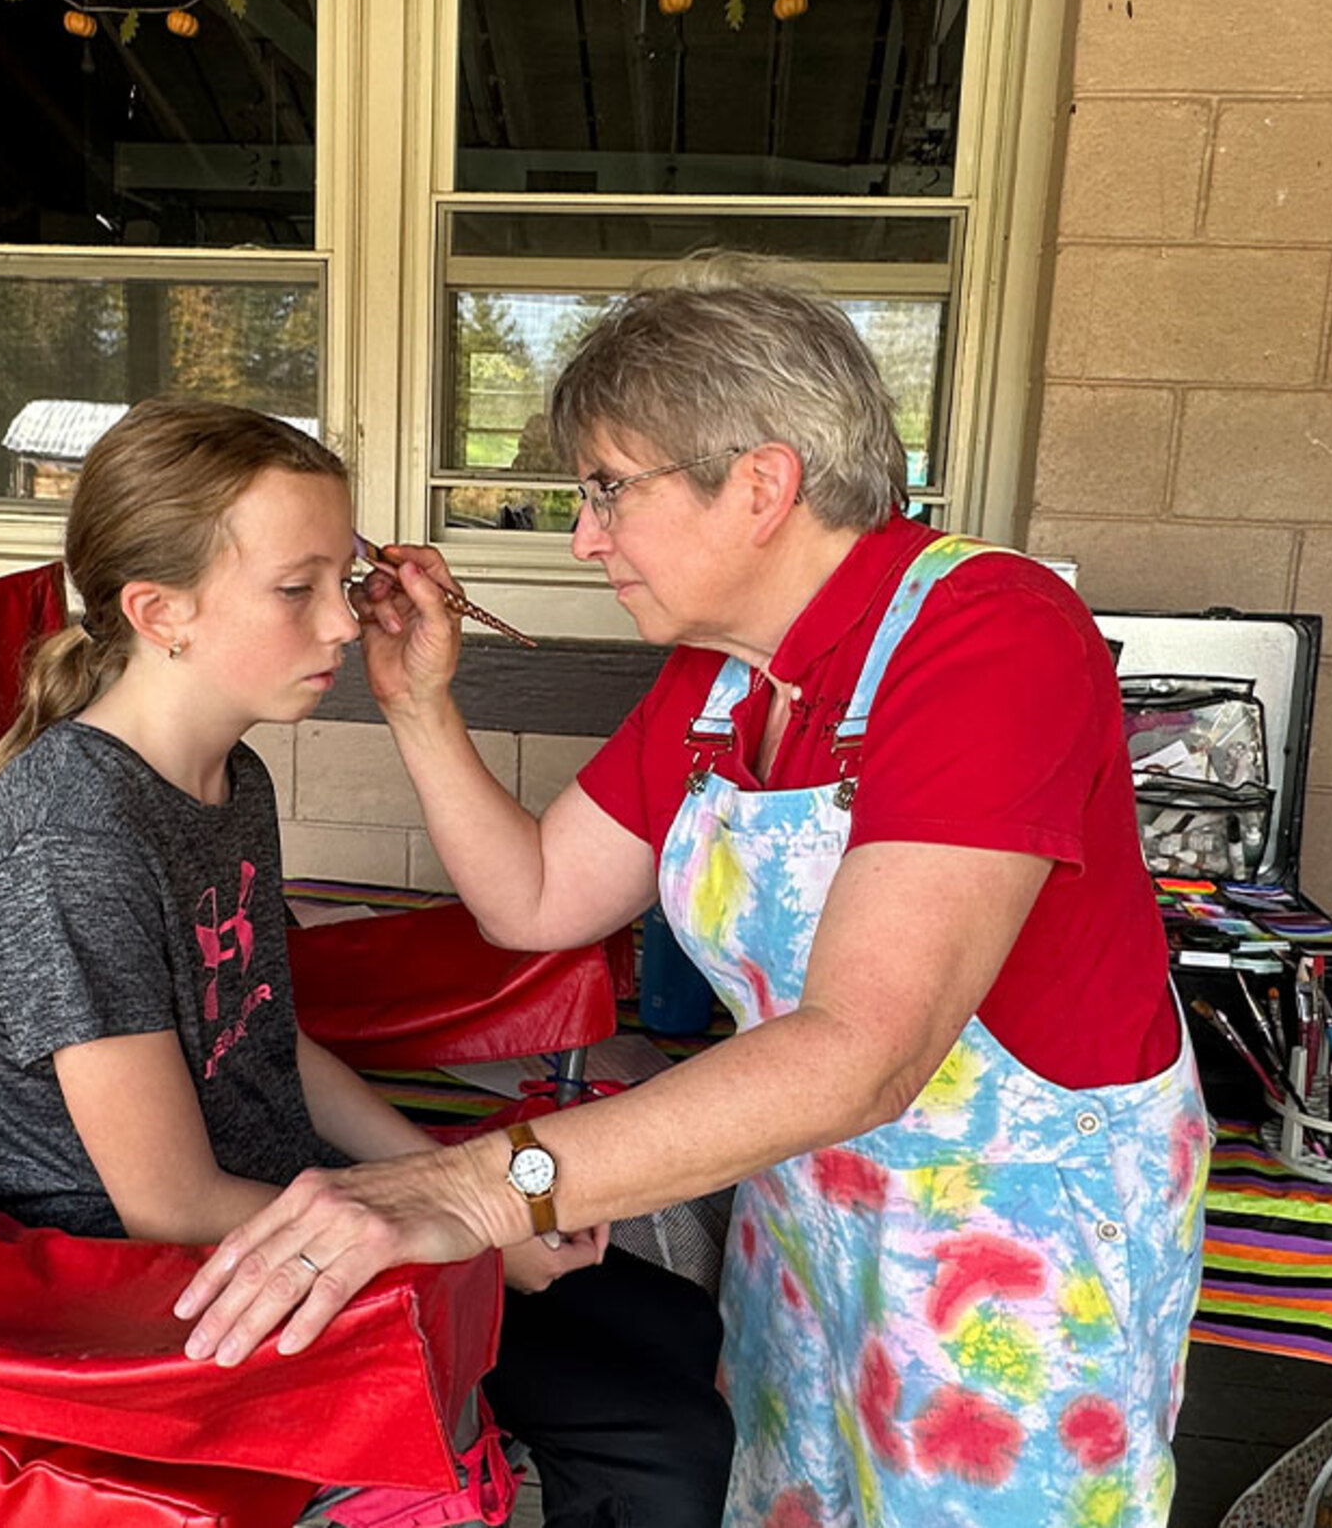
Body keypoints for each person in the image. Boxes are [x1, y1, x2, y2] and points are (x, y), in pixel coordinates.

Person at [175, 265, 1210, 1527]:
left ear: (761, 484)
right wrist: (418, 704)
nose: (584, 536)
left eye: (608, 488)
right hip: (807, 1204)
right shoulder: (726, 676)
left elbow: (865, 1050)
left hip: (1017, 1244)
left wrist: (475, 1187)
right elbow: (538, 900)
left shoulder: (990, 631)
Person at [0, 398, 730, 1528]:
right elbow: (166, 1203)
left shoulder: (228, 778)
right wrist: (475, 1242)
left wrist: (469, 1191)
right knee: (657, 1431)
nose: (342, 622)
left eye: (346, 577)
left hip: (283, 1215)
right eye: (297, 588)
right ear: (160, 613)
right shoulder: (72, 842)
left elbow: (267, 1034)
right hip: (145, 1293)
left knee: (673, 1325)